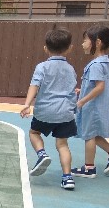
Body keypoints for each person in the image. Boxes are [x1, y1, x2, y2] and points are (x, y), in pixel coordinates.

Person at [20, 29, 78, 189]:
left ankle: (42, 154)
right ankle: (67, 177)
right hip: (65, 113)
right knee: (63, 144)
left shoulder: (42, 67)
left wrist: (27, 104)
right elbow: (72, 90)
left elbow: (35, 85)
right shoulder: (70, 69)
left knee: (34, 133)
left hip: (45, 111)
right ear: (70, 48)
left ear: (45, 48)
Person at [73, 25, 109, 177]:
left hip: (93, 106)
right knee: (93, 133)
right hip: (98, 104)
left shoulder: (96, 64)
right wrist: (83, 90)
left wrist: (82, 101)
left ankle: (89, 167)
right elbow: (98, 85)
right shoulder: (104, 62)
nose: (83, 44)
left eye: (85, 40)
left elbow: (99, 87)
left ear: (97, 42)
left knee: (89, 135)